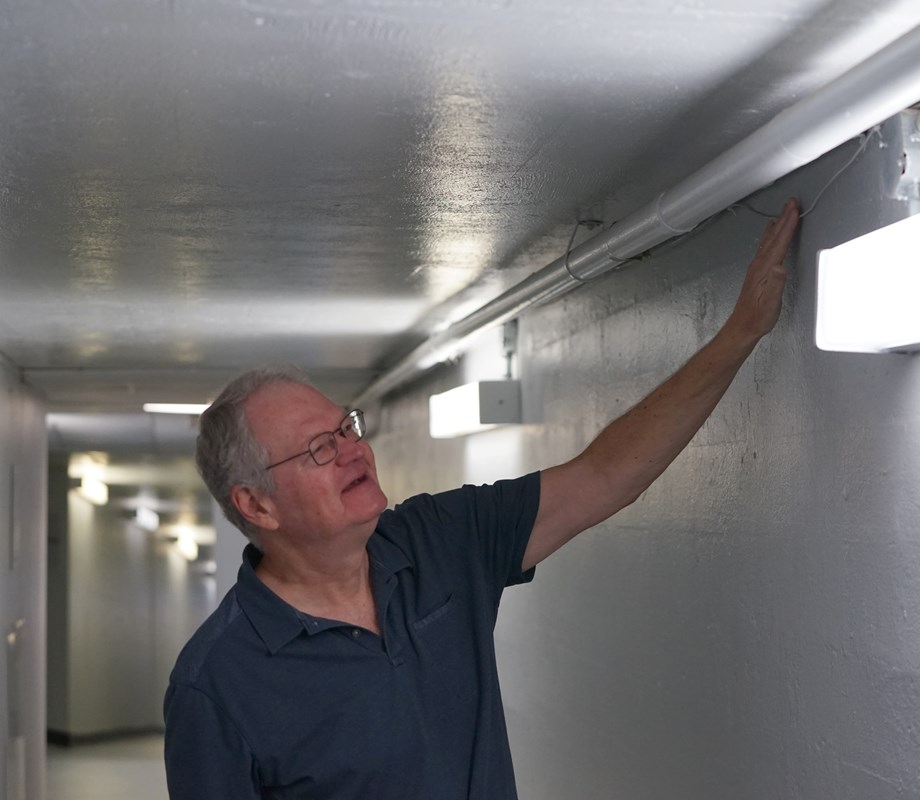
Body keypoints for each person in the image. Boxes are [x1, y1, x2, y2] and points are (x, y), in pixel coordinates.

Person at [163, 198, 801, 799]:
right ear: (258, 506)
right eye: (319, 449)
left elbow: (605, 476)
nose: (353, 449)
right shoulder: (215, 683)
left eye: (345, 427)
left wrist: (739, 332)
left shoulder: (439, 539)